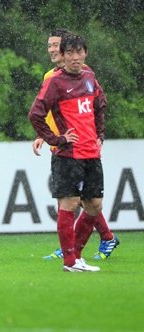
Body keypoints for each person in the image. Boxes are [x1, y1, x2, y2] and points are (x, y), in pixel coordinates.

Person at [33, 29, 119, 261]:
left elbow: (98, 103)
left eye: (56, 45)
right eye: (49, 45)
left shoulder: (86, 75)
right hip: (63, 148)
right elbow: (46, 112)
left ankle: (86, 244)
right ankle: (78, 249)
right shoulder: (51, 77)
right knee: (75, 200)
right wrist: (48, 136)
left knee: (86, 200)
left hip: (84, 149)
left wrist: (99, 134)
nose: (52, 49)